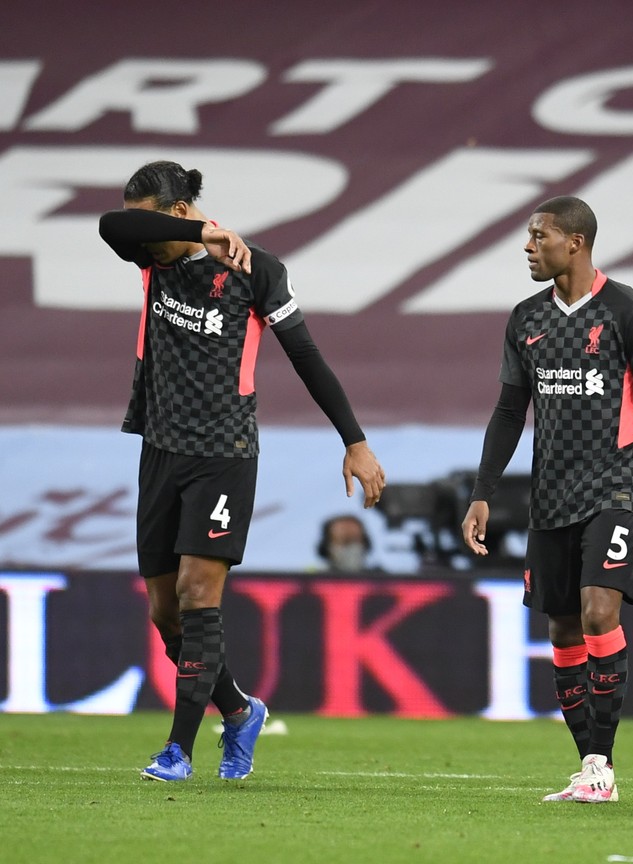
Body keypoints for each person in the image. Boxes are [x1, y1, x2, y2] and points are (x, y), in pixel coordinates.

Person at [98, 160, 386, 782]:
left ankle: (177, 751)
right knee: (164, 612)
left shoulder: (258, 270)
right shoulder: (152, 254)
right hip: (160, 448)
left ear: (178, 211)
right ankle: (239, 710)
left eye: (151, 217)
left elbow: (305, 355)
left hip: (224, 454)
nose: (139, 229)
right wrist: (204, 235)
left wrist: (354, 441)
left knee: (199, 596)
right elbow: (108, 225)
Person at [461, 196, 633, 804]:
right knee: (562, 627)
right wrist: (482, 493)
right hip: (550, 496)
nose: (529, 246)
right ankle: (590, 767)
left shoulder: (629, 314)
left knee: (596, 613)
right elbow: (510, 411)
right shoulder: (526, 319)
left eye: (540, 236)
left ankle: (602, 764)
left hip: (616, 489)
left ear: (576, 243)